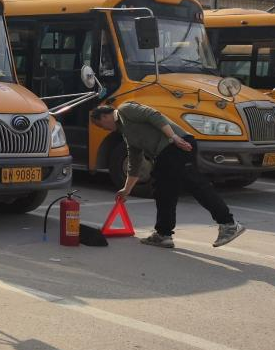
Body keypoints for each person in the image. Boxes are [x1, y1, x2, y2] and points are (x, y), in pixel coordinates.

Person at [90, 102, 246, 249]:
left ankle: (229, 224)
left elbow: (154, 115)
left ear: (104, 116)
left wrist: (174, 138)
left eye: (101, 125)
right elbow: (135, 162)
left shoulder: (125, 109)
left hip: (177, 146)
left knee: (196, 185)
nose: (105, 129)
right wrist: (126, 189)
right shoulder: (127, 134)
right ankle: (163, 234)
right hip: (165, 154)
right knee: (164, 192)